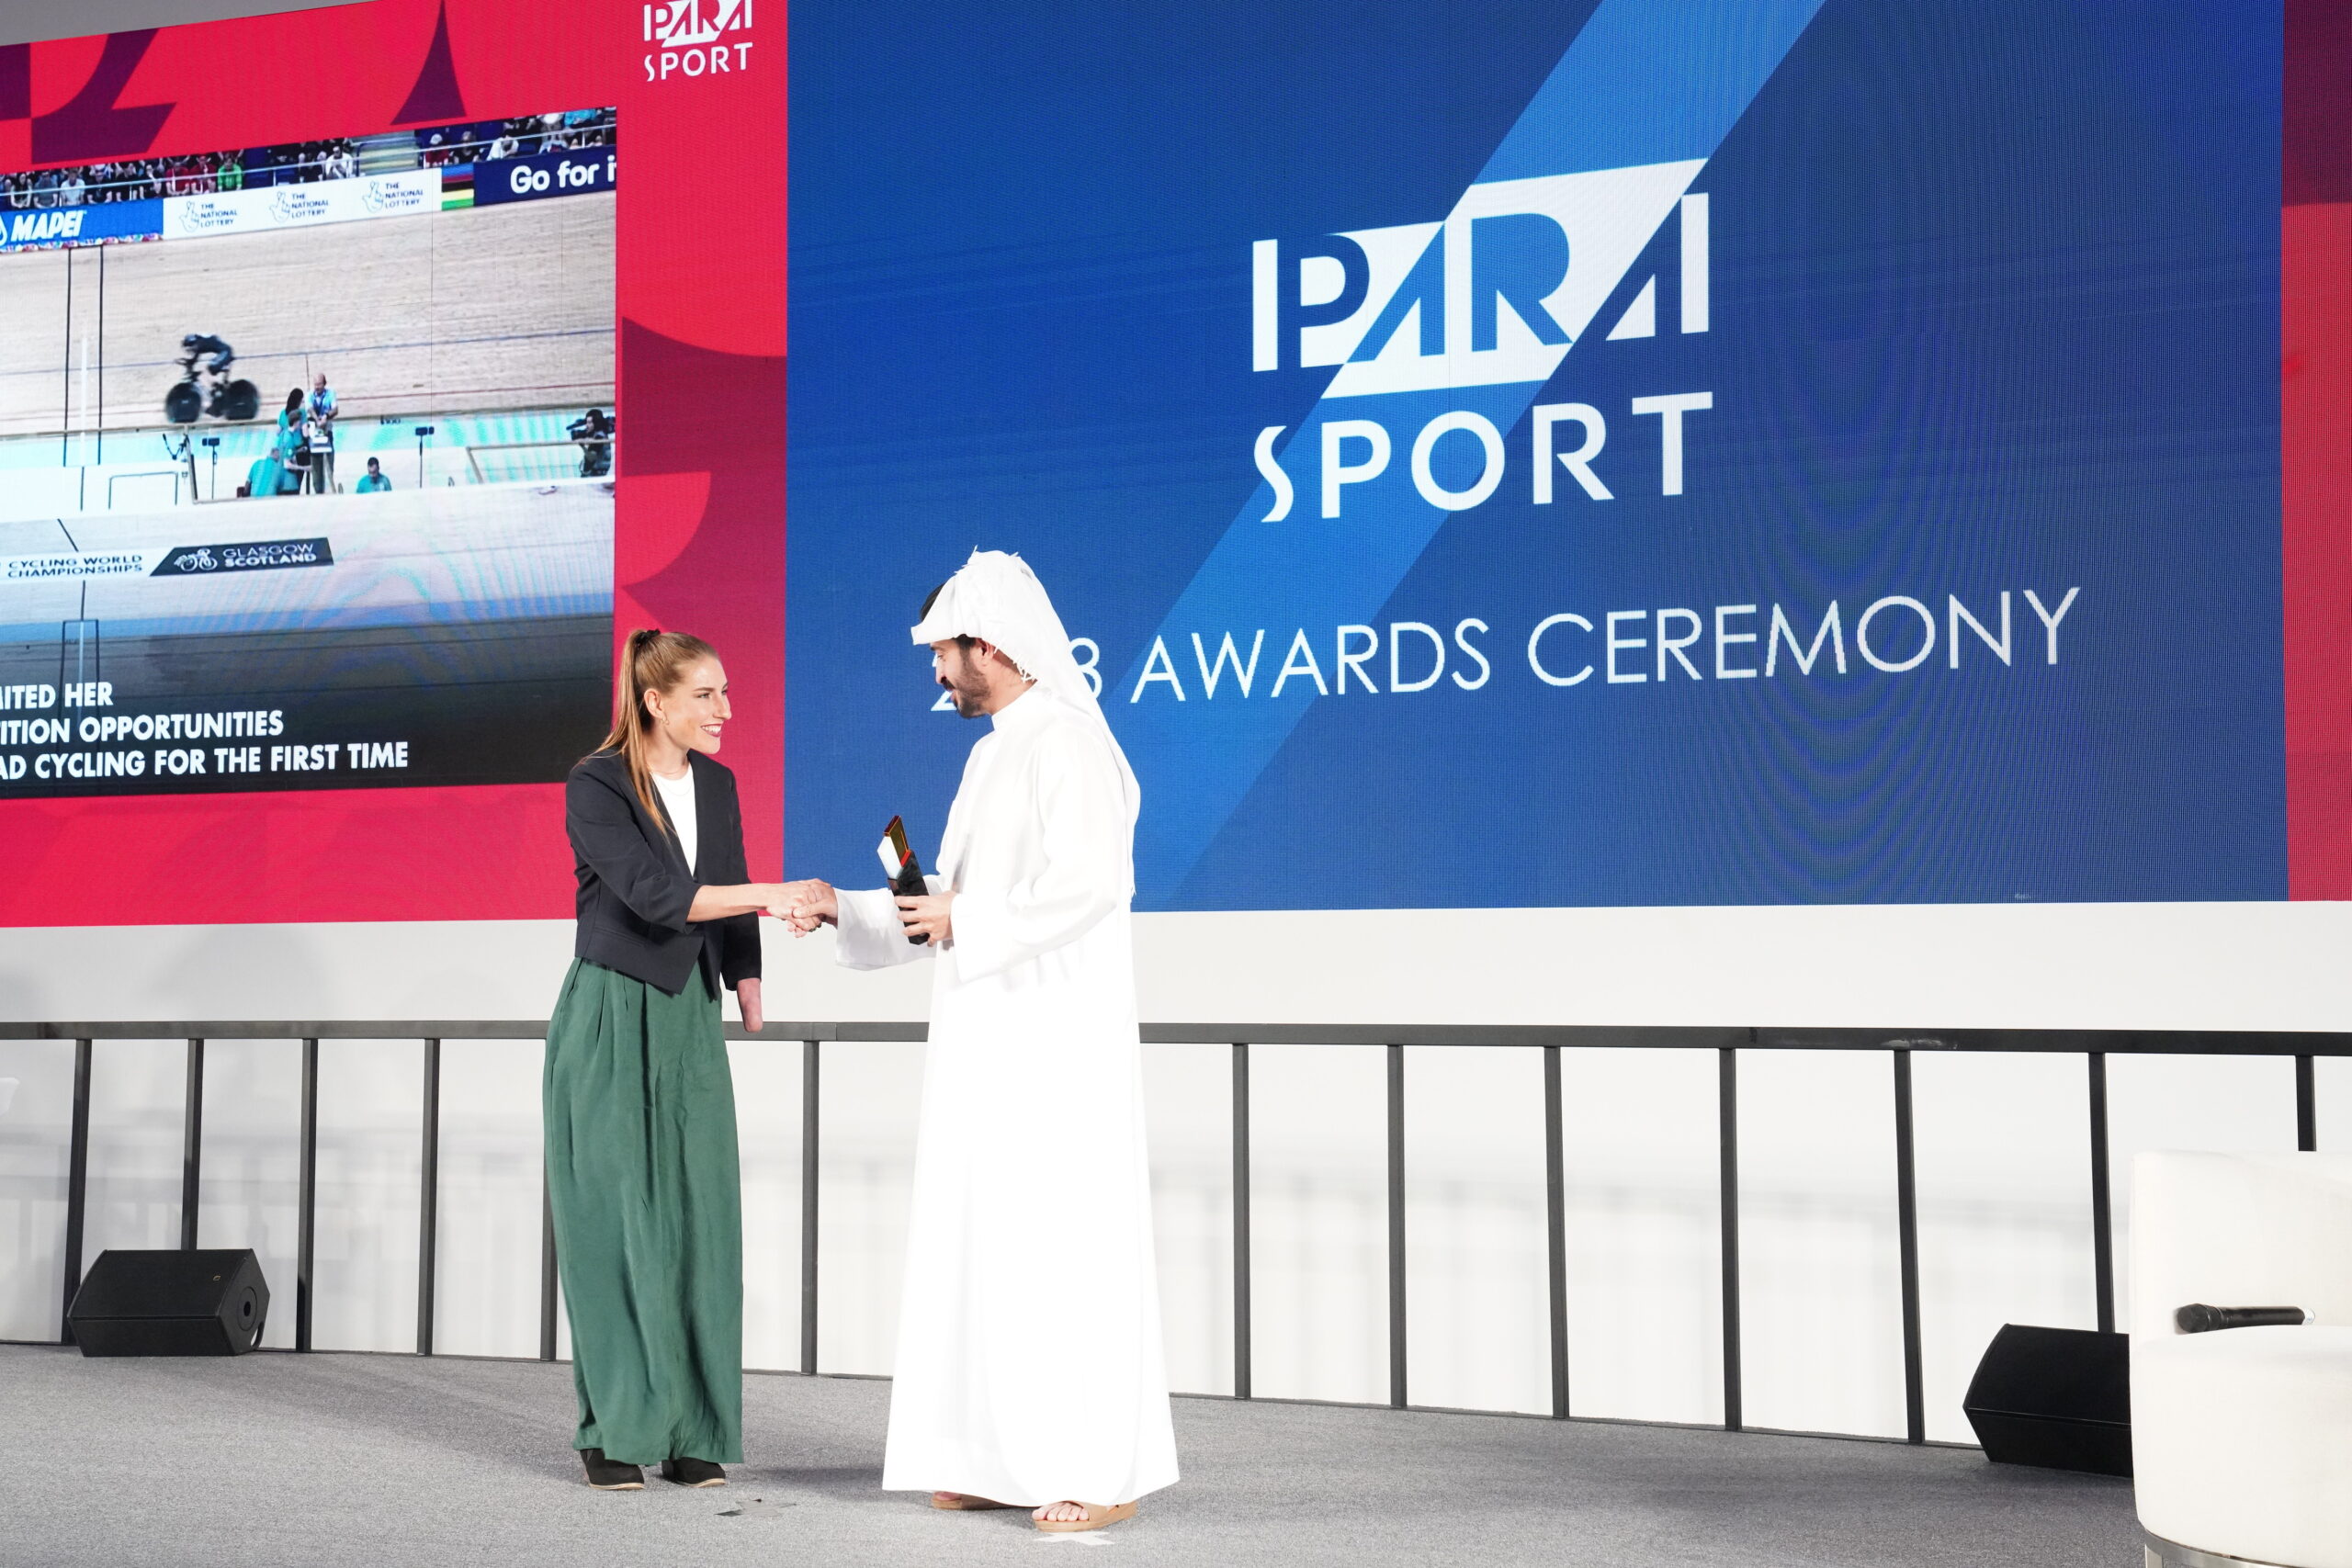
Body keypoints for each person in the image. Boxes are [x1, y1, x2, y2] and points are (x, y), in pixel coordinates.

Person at [786, 551, 1177, 1534]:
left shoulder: (1067, 746)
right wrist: (849, 910)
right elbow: (942, 905)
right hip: (984, 1041)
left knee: (1064, 1247)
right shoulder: (992, 750)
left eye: (943, 655)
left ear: (991, 645)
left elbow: (1092, 884)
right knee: (989, 1246)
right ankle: (1000, 1459)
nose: (935, 675)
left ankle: (1102, 1466)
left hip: (1055, 1045)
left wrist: (968, 917)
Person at [549, 629, 805, 1493]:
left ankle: (693, 1430)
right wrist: (772, 892)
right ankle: (614, 1429)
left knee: (700, 1218)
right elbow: (656, 897)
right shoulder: (597, 782)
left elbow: (723, 885)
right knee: (616, 1225)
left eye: (726, 691)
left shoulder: (719, 783)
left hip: (688, 1014)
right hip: (613, 1011)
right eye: (707, 694)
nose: (726, 709)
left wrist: (748, 979)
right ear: (655, 701)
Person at [306, 373, 337, 494]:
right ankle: (318, 491)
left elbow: (335, 409)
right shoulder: (309, 395)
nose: (317, 387)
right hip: (314, 434)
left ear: (324, 384)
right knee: (316, 465)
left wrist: (325, 416)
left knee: (329, 463)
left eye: (319, 384)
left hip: (327, 432)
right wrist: (317, 419)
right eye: (315, 384)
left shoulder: (331, 393)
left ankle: (330, 487)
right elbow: (309, 408)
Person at [275, 389, 310, 495]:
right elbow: (305, 434)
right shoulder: (301, 413)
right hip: (298, 449)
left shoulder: (282, 413)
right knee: (298, 478)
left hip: (283, 448)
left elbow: (278, 432)